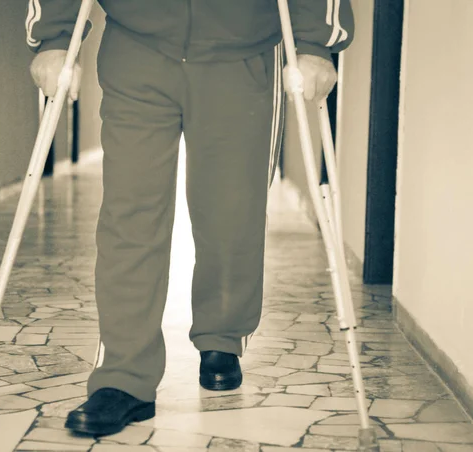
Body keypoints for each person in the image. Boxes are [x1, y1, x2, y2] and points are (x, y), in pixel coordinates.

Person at [26, 0, 354, 436]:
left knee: (231, 212)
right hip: (137, 43)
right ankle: (124, 377)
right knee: (129, 214)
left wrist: (315, 40)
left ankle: (222, 336)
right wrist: (55, 35)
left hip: (245, 49)